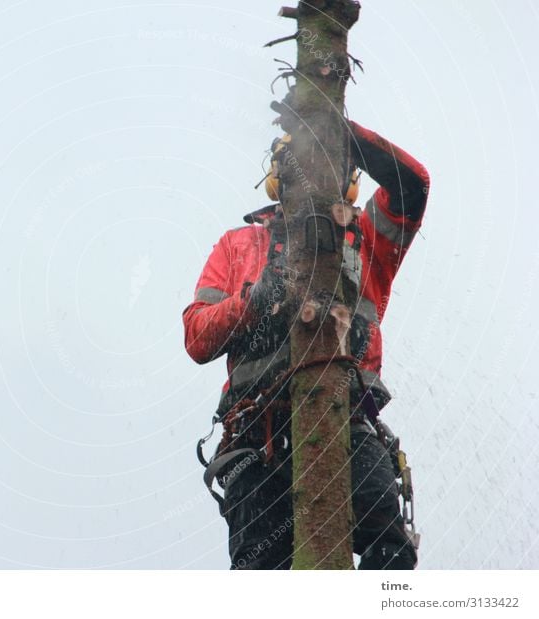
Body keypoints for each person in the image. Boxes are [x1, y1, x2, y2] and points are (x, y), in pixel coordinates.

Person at [183, 120, 430, 569]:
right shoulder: (240, 246)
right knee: (264, 576)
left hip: (347, 423)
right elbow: (197, 337)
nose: (312, 182)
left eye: (329, 168)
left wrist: (338, 129)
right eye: (300, 170)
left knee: (390, 554)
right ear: (279, 180)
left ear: (350, 180)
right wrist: (253, 300)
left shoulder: (366, 238)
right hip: (256, 436)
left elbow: (412, 183)